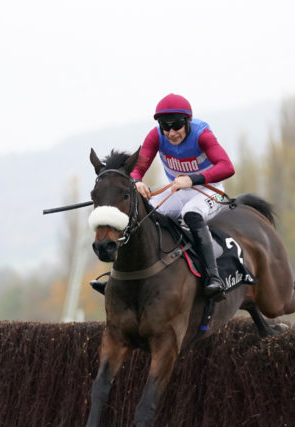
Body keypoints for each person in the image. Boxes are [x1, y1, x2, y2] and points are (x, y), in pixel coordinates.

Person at [93, 93, 235, 298]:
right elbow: (137, 168)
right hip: (178, 190)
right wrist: (137, 181)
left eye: (176, 125)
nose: (171, 133)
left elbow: (227, 167)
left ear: (187, 121)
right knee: (140, 212)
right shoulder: (155, 136)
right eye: (165, 127)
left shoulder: (202, 135)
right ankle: (117, 277)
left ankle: (214, 278)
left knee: (191, 213)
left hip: (210, 191)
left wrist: (193, 179)